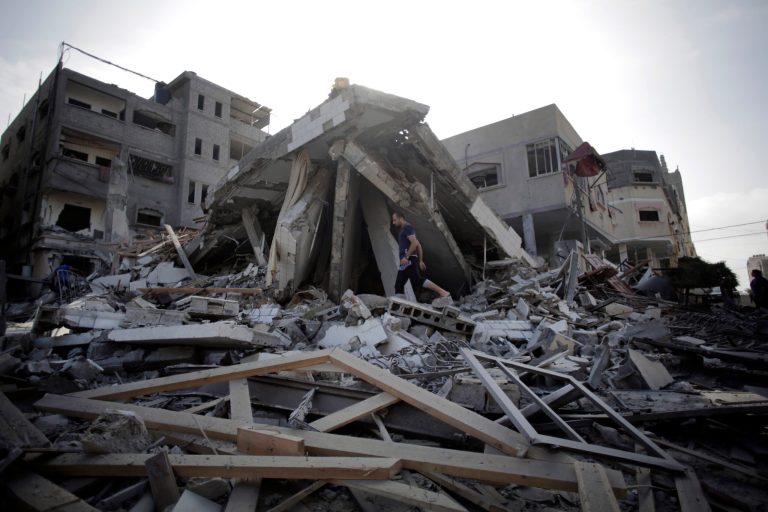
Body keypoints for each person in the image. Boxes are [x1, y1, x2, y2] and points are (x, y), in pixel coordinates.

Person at [391, 211, 451, 301]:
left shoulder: (407, 227)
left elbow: (414, 243)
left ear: (401, 218)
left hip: (408, 260)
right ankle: (399, 305)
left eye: (395, 220)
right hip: (405, 262)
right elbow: (418, 245)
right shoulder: (406, 229)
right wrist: (421, 261)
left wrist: (406, 257)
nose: (393, 222)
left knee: (417, 280)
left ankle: (443, 292)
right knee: (398, 285)